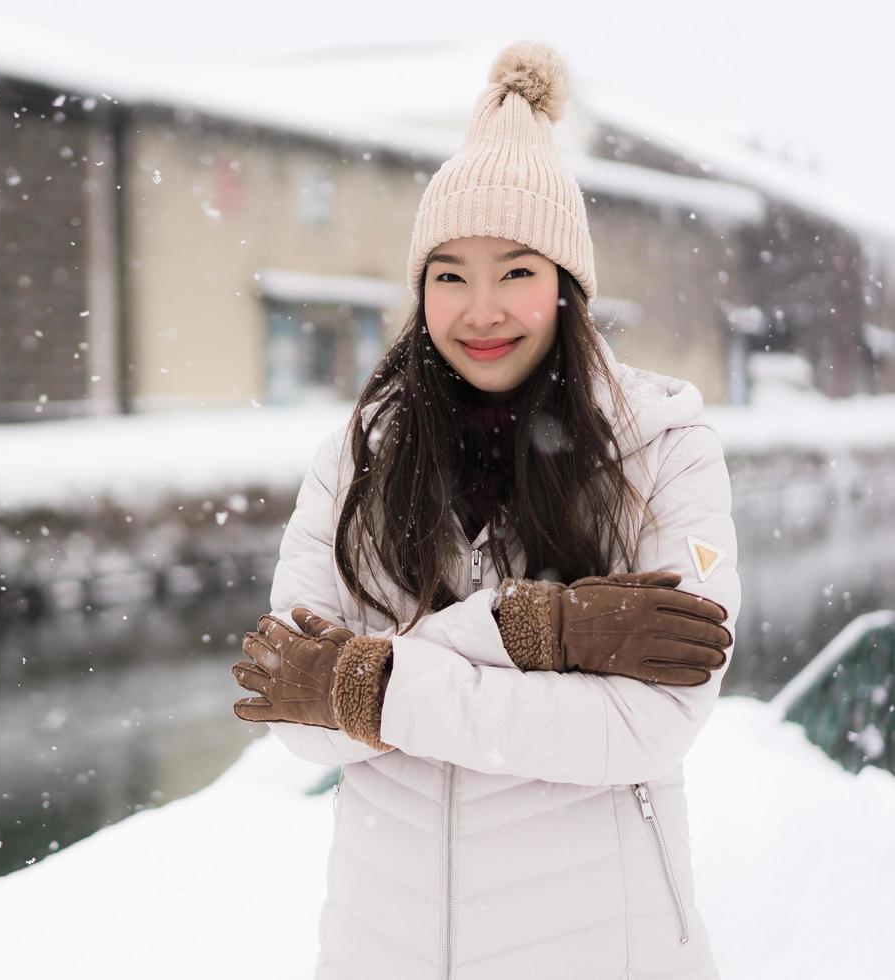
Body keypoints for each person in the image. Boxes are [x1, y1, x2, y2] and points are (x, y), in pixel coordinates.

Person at [230, 41, 739, 980]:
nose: (481, 309)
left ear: (567, 287)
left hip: (598, 945)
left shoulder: (667, 451)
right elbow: (291, 706)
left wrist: (371, 688)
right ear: (420, 291)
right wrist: (536, 632)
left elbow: (651, 724)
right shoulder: (360, 459)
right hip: (386, 947)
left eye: (515, 270)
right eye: (449, 274)